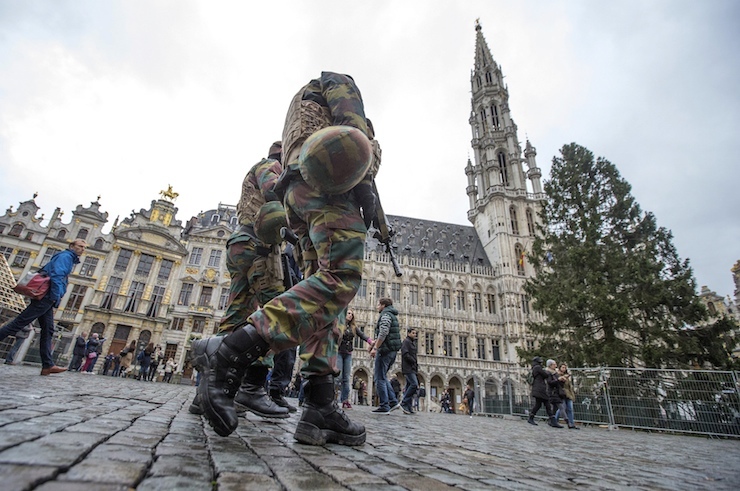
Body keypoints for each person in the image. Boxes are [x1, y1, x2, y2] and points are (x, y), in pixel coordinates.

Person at [193, 71, 377, 446]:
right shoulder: (339, 83)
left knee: (323, 303)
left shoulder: (299, 107)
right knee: (340, 277)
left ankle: (319, 405)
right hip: (326, 184)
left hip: (299, 193)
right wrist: (366, 183)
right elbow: (352, 132)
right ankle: (230, 352)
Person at [188, 142, 292, 420]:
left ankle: (207, 392)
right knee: (272, 313)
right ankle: (253, 387)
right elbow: (275, 191)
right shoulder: (271, 167)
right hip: (259, 246)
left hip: (240, 242)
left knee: (235, 316)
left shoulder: (253, 169)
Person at [0, 239, 86, 375]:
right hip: (46, 297)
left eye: (84, 247)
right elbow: (57, 276)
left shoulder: (67, 257)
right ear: (72, 246)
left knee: (48, 330)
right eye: (80, 246)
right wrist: (55, 297)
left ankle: (47, 365)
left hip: (46, 297)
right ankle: (47, 364)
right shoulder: (66, 257)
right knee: (18, 323)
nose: (82, 249)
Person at [371, 297, 402, 414]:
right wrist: (375, 342)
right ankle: (393, 402)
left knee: (379, 378)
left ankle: (384, 405)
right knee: (383, 376)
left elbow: (384, 332)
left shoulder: (385, 315)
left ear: (383, 305)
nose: (377, 307)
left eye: (378, 304)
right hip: (391, 350)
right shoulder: (391, 315)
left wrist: (375, 347)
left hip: (385, 351)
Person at [337, 309, 372, 409]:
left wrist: (370, 341)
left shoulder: (353, 327)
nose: (350, 315)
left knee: (346, 378)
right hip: (339, 352)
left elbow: (362, 335)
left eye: (352, 314)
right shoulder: (339, 324)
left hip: (348, 353)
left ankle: (345, 400)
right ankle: (330, 398)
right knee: (338, 377)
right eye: (348, 313)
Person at [527, 356, 553, 425]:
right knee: (546, 404)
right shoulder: (538, 368)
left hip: (538, 388)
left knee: (539, 404)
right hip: (540, 389)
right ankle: (552, 419)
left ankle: (531, 417)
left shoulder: (534, 368)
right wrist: (548, 371)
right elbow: (545, 375)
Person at [400, 327, 419, 415]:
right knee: (414, 384)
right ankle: (404, 402)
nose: (415, 335)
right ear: (408, 333)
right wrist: (412, 361)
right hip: (408, 367)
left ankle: (408, 406)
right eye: (413, 333)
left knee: (409, 386)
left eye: (415, 333)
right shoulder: (406, 342)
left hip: (412, 367)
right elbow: (405, 353)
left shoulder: (412, 343)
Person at [556, 362, 579, 429]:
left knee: (570, 409)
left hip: (568, 394)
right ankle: (555, 420)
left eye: (565, 367)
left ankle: (571, 423)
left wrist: (572, 395)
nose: (564, 369)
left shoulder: (567, 376)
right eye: (562, 367)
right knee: (561, 408)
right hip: (562, 394)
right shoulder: (557, 375)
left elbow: (569, 387)